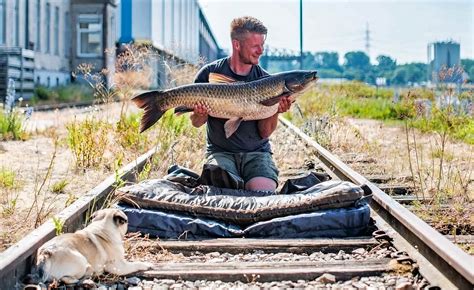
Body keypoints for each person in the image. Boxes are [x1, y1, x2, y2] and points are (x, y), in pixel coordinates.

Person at [190, 16, 293, 192]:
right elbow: (196, 123)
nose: (261, 51)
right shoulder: (209, 74)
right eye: (255, 46)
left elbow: (265, 132)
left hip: (257, 153)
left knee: (263, 193)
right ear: (237, 45)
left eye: (262, 45)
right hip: (220, 152)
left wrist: (276, 109)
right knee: (221, 189)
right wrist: (200, 114)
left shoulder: (266, 81)